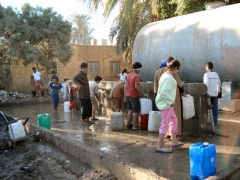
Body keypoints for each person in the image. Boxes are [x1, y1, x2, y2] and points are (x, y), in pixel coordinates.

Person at [155, 59, 184, 153]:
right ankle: (159, 146)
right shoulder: (169, 78)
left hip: (166, 104)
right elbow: (164, 93)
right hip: (166, 104)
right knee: (165, 124)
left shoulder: (166, 75)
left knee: (174, 120)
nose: (178, 71)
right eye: (178, 69)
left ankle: (174, 141)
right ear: (175, 68)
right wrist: (170, 102)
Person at [125, 62, 148, 130]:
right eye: (140, 69)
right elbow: (137, 86)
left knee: (130, 110)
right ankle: (134, 126)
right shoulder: (136, 76)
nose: (140, 70)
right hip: (133, 95)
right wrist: (144, 93)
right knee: (135, 111)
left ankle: (128, 123)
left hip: (127, 94)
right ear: (138, 69)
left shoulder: (129, 75)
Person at [204, 62, 221, 126]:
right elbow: (219, 83)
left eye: (205, 67)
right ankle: (214, 121)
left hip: (208, 94)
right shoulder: (216, 74)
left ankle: (205, 121)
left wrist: (205, 92)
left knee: (205, 108)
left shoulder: (206, 75)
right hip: (215, 93)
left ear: (207, 67)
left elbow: (206, 84)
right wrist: (218, 90)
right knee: (215, 108)